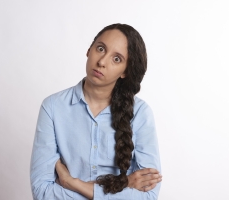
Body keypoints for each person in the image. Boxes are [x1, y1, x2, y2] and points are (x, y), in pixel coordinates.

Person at [30, 23, 162, 200]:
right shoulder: (53, 107)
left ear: (125, 71)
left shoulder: (140, 113)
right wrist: (125, 184)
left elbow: (149, 195)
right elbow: (42, 192)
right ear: (88, 50)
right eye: (100, 49)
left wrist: (72, 183)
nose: (101, 62)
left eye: (117, 59)